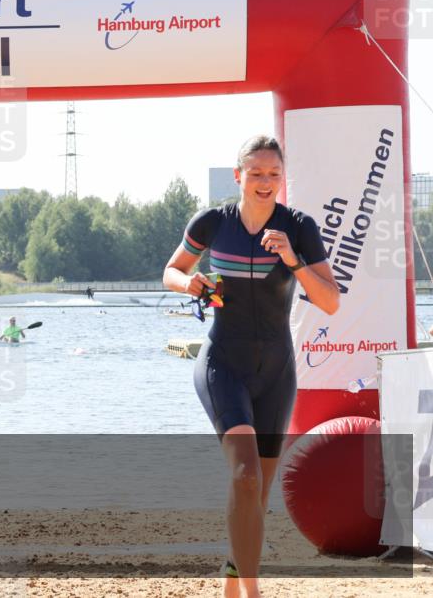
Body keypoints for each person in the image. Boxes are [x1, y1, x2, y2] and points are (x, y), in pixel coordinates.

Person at [162, 136, 339, 598]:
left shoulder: (298, 227)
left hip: (276, 372)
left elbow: (330, 301)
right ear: (238, 176)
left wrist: (293, 260)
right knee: (245, 475)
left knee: (256, 494)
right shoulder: (213, 222)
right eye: (256, 173)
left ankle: (231, 582)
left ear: (283, 178)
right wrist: (189, 283)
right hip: (223, 363)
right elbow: (171, 270)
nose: (265, 182)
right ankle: (254, 593)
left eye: (274, 174)